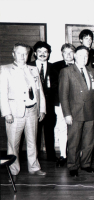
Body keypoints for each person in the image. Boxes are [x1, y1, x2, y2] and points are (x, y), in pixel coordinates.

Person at [0, 42, 46, 176]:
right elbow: (2, 94)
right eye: (19, 53)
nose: (22, 56)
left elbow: (39, 91)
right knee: (13, 144)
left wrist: (42, 109)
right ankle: (13, 170)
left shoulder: (33, 69)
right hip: (14, 113)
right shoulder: (5, 69)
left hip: (32, 111)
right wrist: (7, 113)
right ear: (13, 54)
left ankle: (34, 167)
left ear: (28, 55)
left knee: (33, 141)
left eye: (25, 53)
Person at [59, 46, 94, 177]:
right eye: (81, 55)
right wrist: (67, 114)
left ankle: (86, 164)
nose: (84, 58)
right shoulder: (66, 71)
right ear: (75, 56)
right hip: (74, 112)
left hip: (90, 111)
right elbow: (63, 95)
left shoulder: (92, 71)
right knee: (74, 141)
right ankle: (73, 165)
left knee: (89, 141)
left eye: (86, 56)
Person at [28, 41, 57, 162]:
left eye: (45, 52)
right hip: (35, 106)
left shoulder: (53, 68)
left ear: (49, 54)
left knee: (49, 132)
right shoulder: (28, 66)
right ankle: (35, 157)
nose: (43, 54)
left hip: (50, 106)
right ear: (35, 53)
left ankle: (51, 156)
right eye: (40, 51)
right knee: (35, 133)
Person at [52, 43, 76, 167]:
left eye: (71, 52)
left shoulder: (80, 65)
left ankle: (75, 155)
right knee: (62, 128)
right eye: (66, 52)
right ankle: (63, 155)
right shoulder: (55, 67)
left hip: (77, 103)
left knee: (76, 128)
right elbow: (55, 86)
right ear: (62, 53)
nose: (68, 55)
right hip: (61, 103)